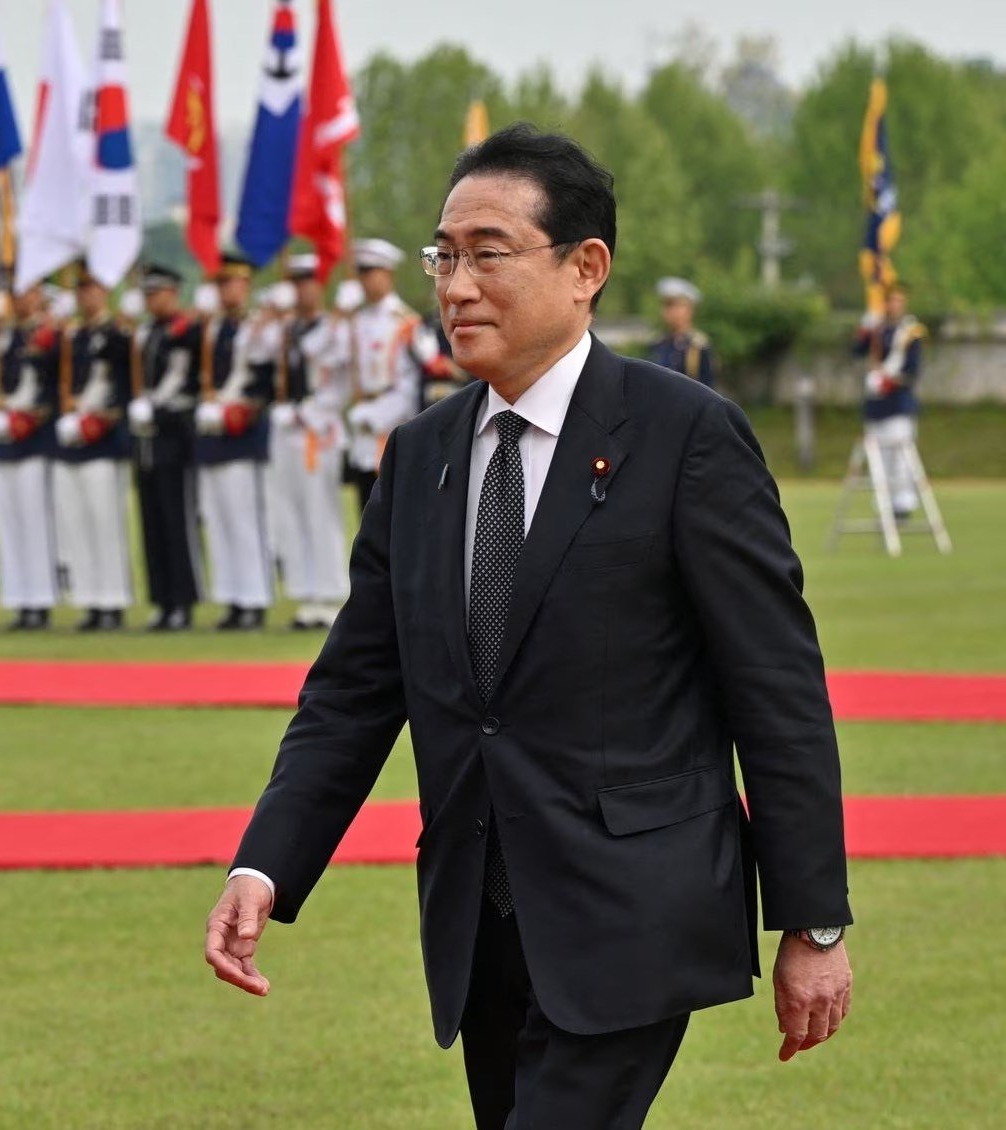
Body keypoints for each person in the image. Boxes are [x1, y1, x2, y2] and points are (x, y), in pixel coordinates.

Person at [205, 125, 854, 1128]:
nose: (456, 285)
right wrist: (267, 861)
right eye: (444, 256)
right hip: (478, 915)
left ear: (586, 267)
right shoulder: (420, 458)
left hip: (630, 910)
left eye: (489, 253)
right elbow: (352, 692)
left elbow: (774, 689)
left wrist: (812, 917)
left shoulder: (683, 435)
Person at [264, 256, 350, 630]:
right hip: (288, 427)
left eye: (309, 282)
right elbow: (252, 353)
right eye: (296, 283)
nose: (303, 290)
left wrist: (311, 412)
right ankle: (306, 594)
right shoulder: (285, 328)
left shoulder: (334, 327)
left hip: (320, 428)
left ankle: (330, 593)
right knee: (291, 510)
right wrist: (269, 312)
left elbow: (342, 377)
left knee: (321, 510)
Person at [193, 254, 276, 631]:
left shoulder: (257, 326)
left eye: (234, 283)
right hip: (212, 436)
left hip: (243, 434)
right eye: (221, 284)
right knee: (218, 518)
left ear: (246, 286)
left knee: (245, 520)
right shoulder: (209, 329)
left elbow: (265, 380)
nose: (228, 291)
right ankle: (230, 597)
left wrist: (241, 409)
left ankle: (255, 598)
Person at [343, 238, 451, 518]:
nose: (365, 280)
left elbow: (424, 375)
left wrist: (382, 415)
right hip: (363, 424)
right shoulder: (356, 320)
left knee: (394, 514)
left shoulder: (404, 321)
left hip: (393, 423)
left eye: (371, 272)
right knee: (365, 512)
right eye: (361, 273)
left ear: (387, 274)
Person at [53, 264, 134, 632]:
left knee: (106, 525)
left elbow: (125, 380)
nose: (87, 296)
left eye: (93, 289)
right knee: (76, 525)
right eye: (81, 290)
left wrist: (101, 418)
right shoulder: (71, 336)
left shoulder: (117, 333)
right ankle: (89, 599)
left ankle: (112, 600)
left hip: (103, 441)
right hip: (71, 441)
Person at [129, 265, 203, 631]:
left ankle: (183, 600)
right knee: (151, 522)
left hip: (175, 435)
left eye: (157, 292)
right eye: (147, 294)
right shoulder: (147, 332)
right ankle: (161, 599)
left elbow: (185, 379)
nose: (151, 300)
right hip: (146, 440)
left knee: (177, 521)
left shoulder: (186, 330)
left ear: (173, 292)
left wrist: (156, 406)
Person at [0, 284, 59, 631]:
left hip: (33, 437)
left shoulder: (48, 334)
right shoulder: (4, 335)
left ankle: (40, 599)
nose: (20, 300)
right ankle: (18, 599)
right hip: (2, 439)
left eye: (28, 293)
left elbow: (52, 380)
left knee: (34, 523)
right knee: (10, 523)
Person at [850, 285, 925, 519]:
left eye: (898, 301)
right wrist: (866, 327)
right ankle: (883, 502)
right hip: (876, 405)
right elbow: (857, 350)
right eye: (889, 300)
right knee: (878, 458)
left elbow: (912, 371)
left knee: (900, 456)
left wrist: (890, 381)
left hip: (898, 403)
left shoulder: (909, 332)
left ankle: (902, 504)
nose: (893, 305)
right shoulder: (877, 330)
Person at [649, 276, 717, 388]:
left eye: (674, 306)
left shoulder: (698, 345)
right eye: (666, 306)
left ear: (690, 309)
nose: (668, 312)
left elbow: (707, 389)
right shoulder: (658, 342)